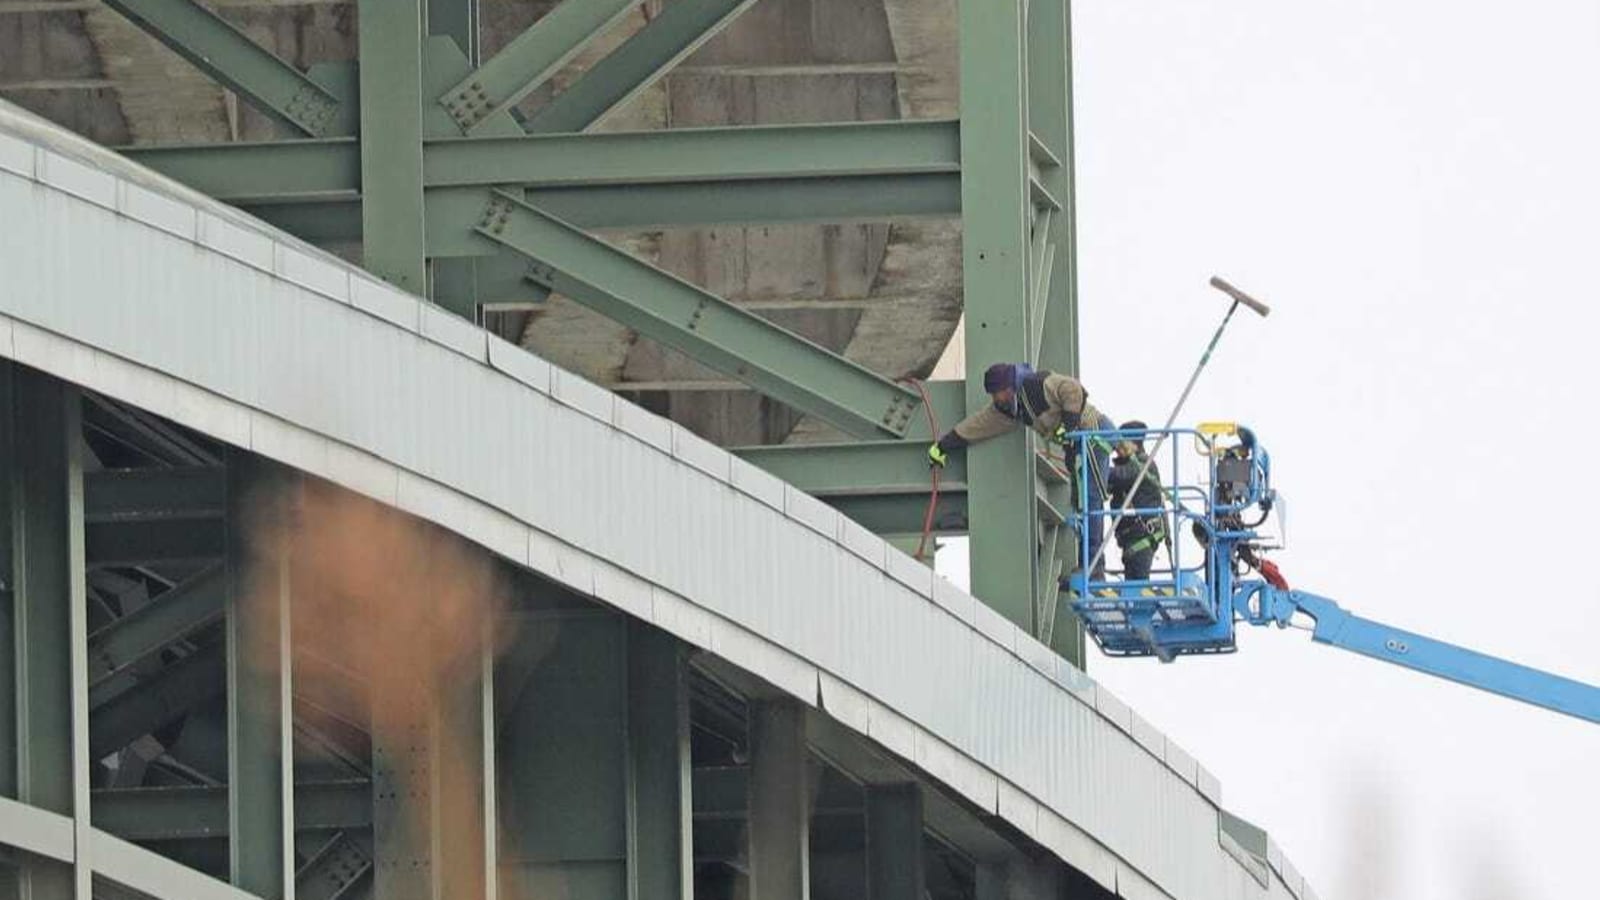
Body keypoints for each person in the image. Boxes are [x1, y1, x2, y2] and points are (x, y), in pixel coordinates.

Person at [927, 362, 1115, 576]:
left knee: (1089, 500)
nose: (996, 399)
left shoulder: (1037, 385)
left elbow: (1071, 389)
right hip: (1080, 444)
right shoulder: (1013, 409)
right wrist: (943, 446)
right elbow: (979, 425)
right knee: (1082, 504)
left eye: (997, 393)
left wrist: (1068, 425)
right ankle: (1091, 565)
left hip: (1093, 434)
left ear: (1008, 388)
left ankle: (1094, 568)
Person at [1105, 420, 1167, 582]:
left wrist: (1098, 468)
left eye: (1121, 443)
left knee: (1138, 588)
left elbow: (1121, 475)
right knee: (1133, 587)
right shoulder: (1129, 465)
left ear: (1134, 444)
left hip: (1141, 537)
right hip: (1131, 538)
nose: (1117, 448)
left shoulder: (1143, 464)